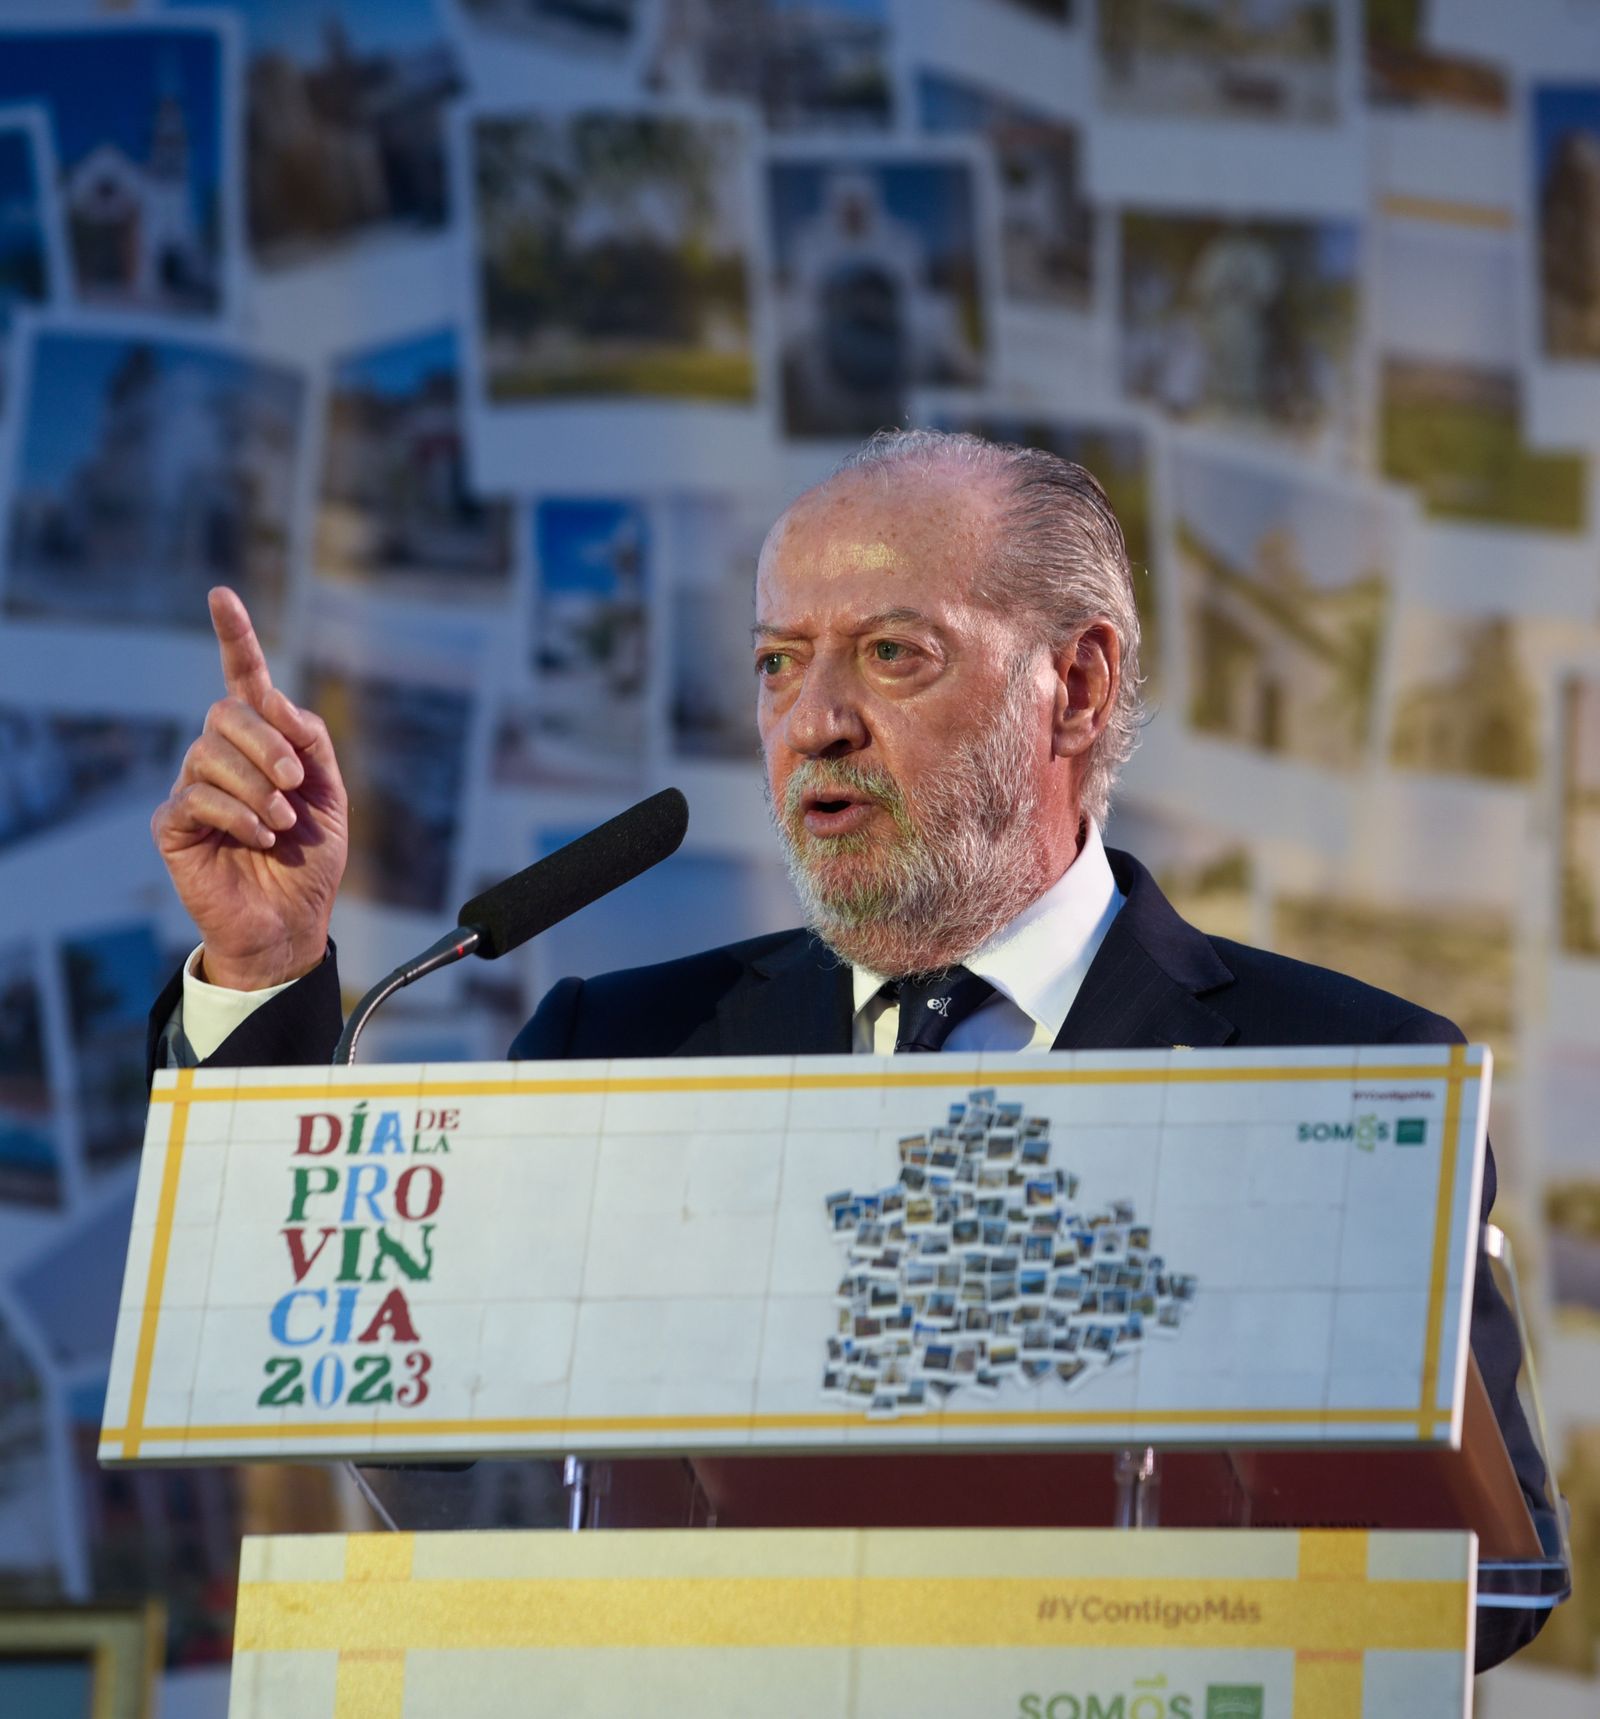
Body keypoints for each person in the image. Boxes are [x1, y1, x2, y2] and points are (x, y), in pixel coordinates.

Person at [149, 429, 1550, 1668]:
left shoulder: (1341, 1069)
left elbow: (1486, 1592)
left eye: (892, 653)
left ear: (1075, 685)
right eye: (777, 663)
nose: (814, 720)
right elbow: (425, 1445)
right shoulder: (627, 1051)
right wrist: (266, 971)